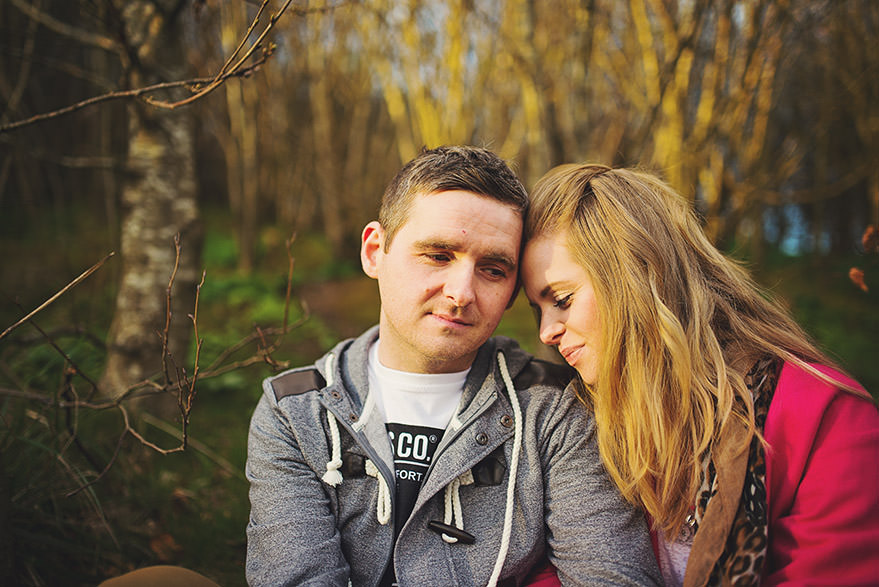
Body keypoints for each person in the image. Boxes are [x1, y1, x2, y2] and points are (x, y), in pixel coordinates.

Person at [245, 147, 660, 586]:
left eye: (494, 269)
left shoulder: (556, 410)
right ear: (374, 251)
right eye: (438, 255)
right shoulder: (295, 411)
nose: (461, 293)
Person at [520, 163, 879, 586]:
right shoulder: (579, 428)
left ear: (638, 276)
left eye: (561, 299)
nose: (546, 332)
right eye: (537, 309)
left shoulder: (826, 419)